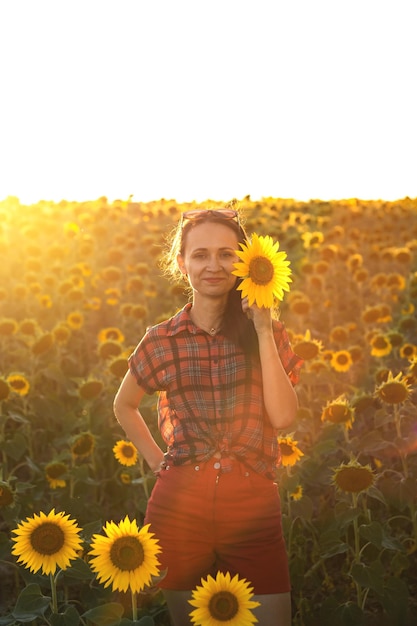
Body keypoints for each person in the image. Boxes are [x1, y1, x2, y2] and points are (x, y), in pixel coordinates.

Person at [113, 207, 303, 626]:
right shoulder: (162, 339)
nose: (213, 266)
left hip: (253, 503)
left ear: (244, 263)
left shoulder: (266, 333)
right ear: (182, 264)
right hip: (179, 505)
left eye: (226, 254)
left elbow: (284, 416)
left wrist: (263, 329)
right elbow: (123, 404)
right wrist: (156, 461)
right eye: (200, 255)